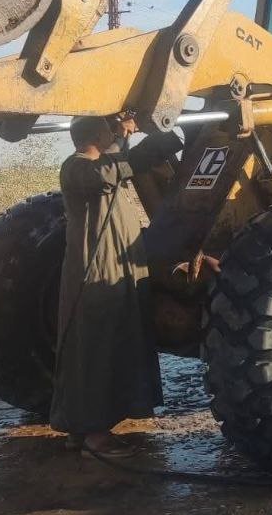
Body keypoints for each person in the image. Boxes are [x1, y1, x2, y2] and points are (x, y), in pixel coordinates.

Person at [50, 114, 180, 456]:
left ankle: (85, 427)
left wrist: (150, 133)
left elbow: (124, 164)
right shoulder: (78, 168)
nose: (116, 133)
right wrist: (135, 137)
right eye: (109, 128)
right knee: (97, 347)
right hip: (96, 272)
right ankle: (94, 434)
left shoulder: (108, 166)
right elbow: (112, 170)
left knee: (115, 343)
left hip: (114, 267)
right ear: (96, 135)